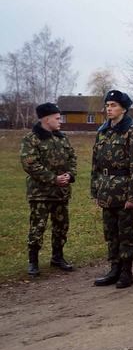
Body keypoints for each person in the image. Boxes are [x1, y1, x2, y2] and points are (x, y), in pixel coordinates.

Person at [91, 90, 133, 288]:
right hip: (106, 189)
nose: (109, 109)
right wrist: (95, 191)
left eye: (113, 105)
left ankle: (126, 271)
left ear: (123, 108)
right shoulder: (102, 131)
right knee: (110, 232)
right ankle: (114, 268)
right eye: (107, 105)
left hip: (124, 190)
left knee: (125, 232)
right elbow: (95, 164)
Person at [20, 102, 77, 277]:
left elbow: (72, 158)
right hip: (41, 193)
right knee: (38, 227)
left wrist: (69, 175)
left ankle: (57, 257)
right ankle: (33, 261)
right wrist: (53, 179)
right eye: (57, 118)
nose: (60, 121)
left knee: (61, 226)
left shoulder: (62, 138)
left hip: (61, 193)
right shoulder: (32, 139)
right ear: (46, 119)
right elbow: (29, 164)